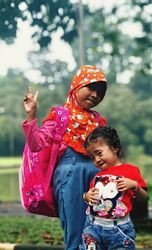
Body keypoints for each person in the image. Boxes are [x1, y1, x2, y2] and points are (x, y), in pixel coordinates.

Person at [22, 65, 108, 250]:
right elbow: (36, 144)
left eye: (100, 93)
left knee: (99, 229)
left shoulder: (98, 121)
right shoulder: (60, 116)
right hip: (70, 178)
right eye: (91, 88)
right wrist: (31, 115)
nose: (95, 95)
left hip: (96, 178)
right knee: (75, 230)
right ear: (77, 85)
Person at [81, 126, 148, 250]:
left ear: (115, 148)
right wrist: (86, 196)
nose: (96, 159)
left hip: (118, 229)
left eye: (99, 153)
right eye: (92, 157)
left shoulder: (130, 170)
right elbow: (90, 199)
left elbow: (143, 198)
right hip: (93, 226)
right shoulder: (97, 176)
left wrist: (135, 186)